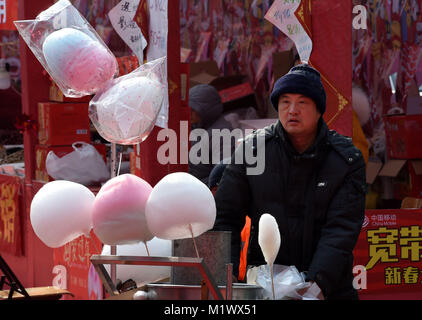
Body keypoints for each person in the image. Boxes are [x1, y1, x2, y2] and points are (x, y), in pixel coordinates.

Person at [213, 64, 367, 300]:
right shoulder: (252, 152)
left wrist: (317, 285)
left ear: (318, 110)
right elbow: (225, 217)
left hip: (329, 288)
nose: (292, 110)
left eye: (303, 102)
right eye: (285, 102)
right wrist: (228, 276)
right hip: (266, 285)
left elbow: (341, 229)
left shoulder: (346, 159)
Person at [188, 84, 235, 186]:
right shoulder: (198, 126)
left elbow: (221, 176)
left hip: (204, 193)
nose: (189, 113)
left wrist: (192, 187)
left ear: (206, 110)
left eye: (193, 110)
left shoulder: (222, 134)